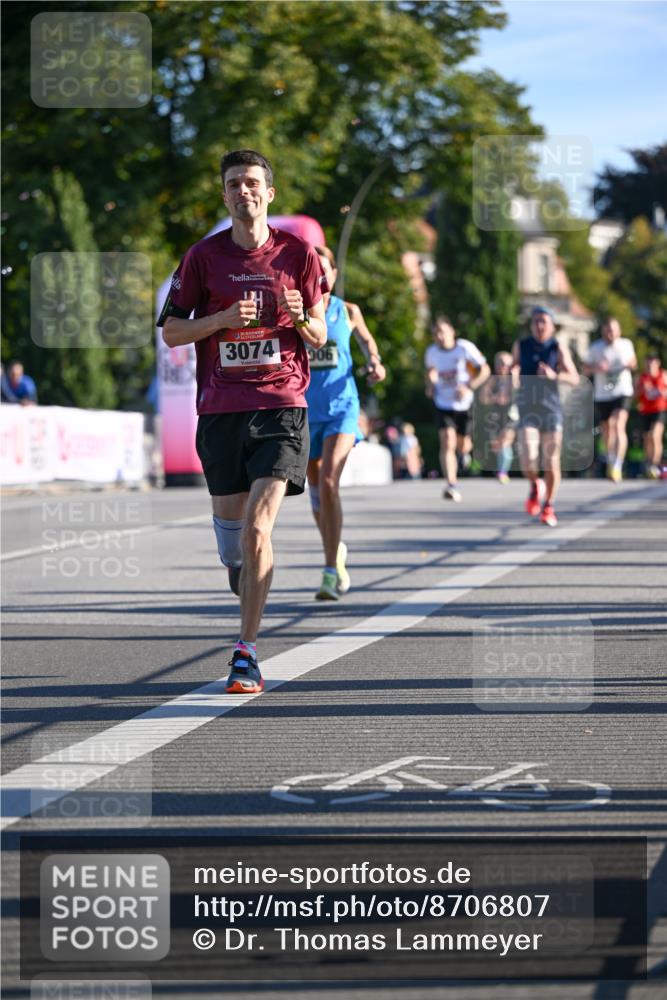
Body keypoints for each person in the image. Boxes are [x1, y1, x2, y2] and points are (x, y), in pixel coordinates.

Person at [159, 149, 327, 694]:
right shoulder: (203, 258)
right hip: (221, 413)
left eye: (253, 182)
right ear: (225, 194)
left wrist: (301, 316)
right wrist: (224, 320)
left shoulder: (298, 253)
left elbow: (320, 335)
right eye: (234, 183)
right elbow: (172, 332)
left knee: (260, 527)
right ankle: (242, 572)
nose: (244, 191)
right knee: (235, 549)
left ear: (269, 194)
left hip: (282, 405)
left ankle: (246, 653)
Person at [305, 245, 386, 600]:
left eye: (326, 271)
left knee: (329, 482)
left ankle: (328, 572)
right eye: (314, 270)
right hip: (305, 411)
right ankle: (335, 550)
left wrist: (375, 363)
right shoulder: (299, 314)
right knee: (317, 494)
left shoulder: (347, 310)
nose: (320, 277)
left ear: (334, 275)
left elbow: (368, 342)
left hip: (342, 409)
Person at [512, 306, 579, 527]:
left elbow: (574, 378)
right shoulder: (521, 346)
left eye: (544, 321)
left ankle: (548, 505)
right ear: (531, 325)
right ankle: (534, 484)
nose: (540, 325)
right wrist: (511, 375)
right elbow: (512, 368)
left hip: (550, 408)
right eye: (536, 321)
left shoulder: (558, 348)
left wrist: (554, 375)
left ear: (552, 325)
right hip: (527, 407)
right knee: (528, 459)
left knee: (551, 460)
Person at [424, 315, 490, 503]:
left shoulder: (464, 348)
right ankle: (451, 484)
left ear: (452, 331)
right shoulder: (431, 352)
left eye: (442, 332)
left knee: (463, 444)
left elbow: (484, 370)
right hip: (443, 403)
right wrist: (430, 384)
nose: (440, 336)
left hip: (464, 403)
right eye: (436, 333)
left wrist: (469, 386)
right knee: (447, 442)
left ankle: (464, 454)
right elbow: (430, 372)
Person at [584, 317, 637, 482]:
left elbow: (634, 363)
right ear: (603, 332)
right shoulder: (595, 348)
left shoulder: (626, 344)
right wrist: (596, 368)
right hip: (602, 394)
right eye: (607, 330)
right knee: (606, 430)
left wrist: (628, 364)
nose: (610, 333)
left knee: (618, 424)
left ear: (619, 331)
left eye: (613, 330)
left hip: (622, 391)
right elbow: (584, 369)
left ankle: (617, 466)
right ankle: (611, 458)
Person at [477, 351, 518, 484]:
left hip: (511, 414)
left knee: (505, 440)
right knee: (497, 446)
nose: (503, 366)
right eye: (500, 363)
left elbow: (519, 394)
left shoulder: (514, 379)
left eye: (506, 364)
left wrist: (515, 377)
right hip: (495, 416)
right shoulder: (492, 380)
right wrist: (493, 398)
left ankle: (502, 472)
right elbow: (483, 399)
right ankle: (502, 467)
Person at [635, 352, 667, 479]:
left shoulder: (663, 375)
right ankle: (649, 463)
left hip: (660, 409)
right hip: (645, 411)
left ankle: (655, 464)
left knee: (655, 436)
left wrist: (661, 392)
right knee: (647, 438)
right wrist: (643, 390)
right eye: (648, 362)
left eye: (652, 362)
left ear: (657, 363)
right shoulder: (641, 377)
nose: (650, 365)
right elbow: (634, 394)